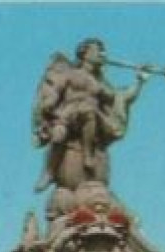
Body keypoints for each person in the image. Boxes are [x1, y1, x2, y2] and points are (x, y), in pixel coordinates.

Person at [32, 39, 148, 193]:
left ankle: (88, 155)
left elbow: (122, 97)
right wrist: (48, 106)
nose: (102, 54)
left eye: (103, 51)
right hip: (67, 115)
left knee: (89, 110)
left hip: (90, 116)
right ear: (84, 53)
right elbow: (55, 92)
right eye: (97, 50)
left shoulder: (99, 84)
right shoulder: (71, 74)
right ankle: (49, 172)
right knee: (59, 135)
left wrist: (140, 81)